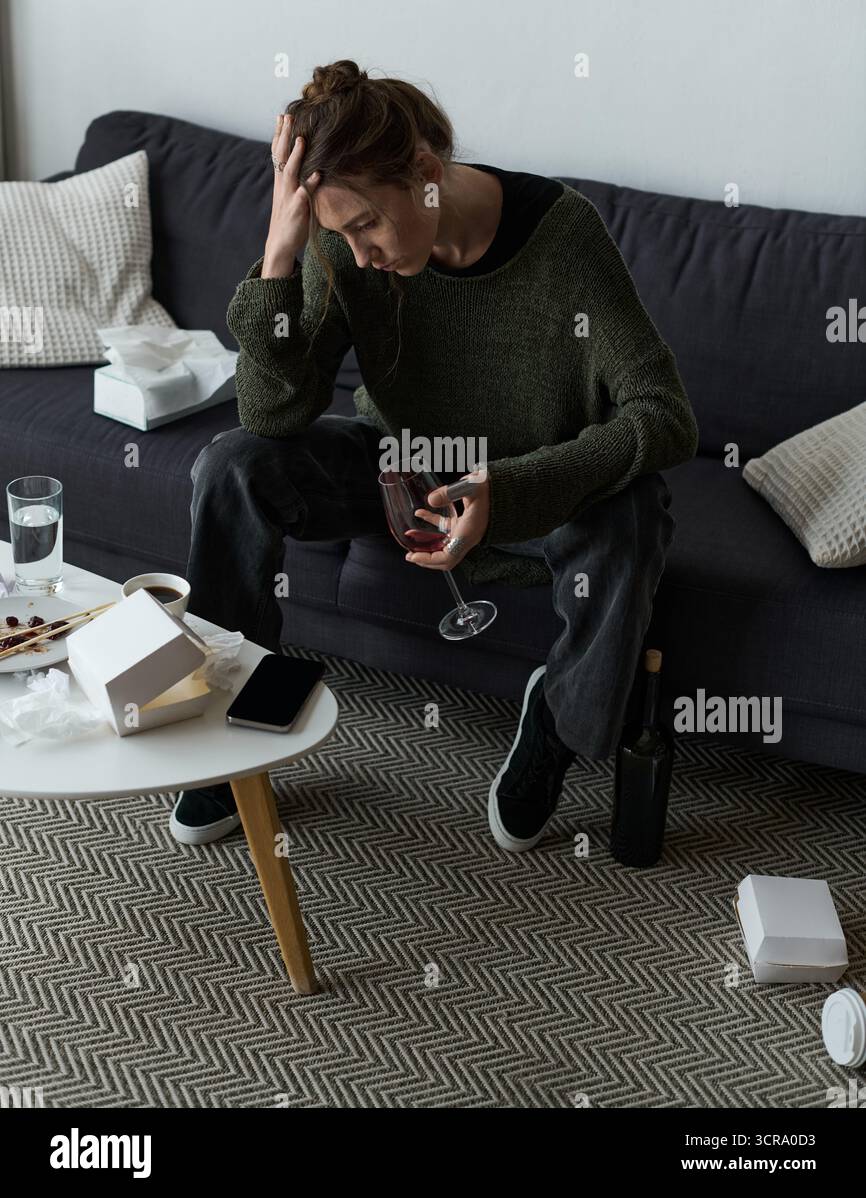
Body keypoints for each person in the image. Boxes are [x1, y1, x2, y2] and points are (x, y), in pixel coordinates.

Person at [169, 59, 698, 851]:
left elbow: (666, 417)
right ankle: (231, 726)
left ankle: (554, 715)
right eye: (341, 234)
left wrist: (507, 490)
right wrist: (281, 256)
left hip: (528, 492)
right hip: (400, 476)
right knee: (232, 465)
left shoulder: (563, 237)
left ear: (423, 171)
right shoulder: (342, 252)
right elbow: (272, 413)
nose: (363, 253)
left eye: (368, 226)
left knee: (637, 511)